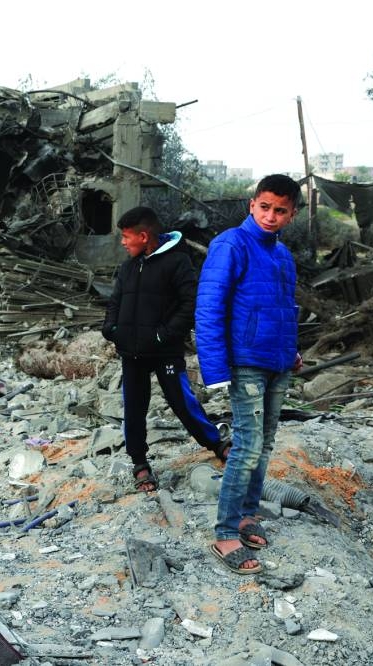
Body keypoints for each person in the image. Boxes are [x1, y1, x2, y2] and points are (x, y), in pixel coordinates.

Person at [195, 174, 304, 575]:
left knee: (265, 444)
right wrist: (215, 370)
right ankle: (225, 534)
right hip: (245, 363)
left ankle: (245, 515)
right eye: (264, 207)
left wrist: (290, 351)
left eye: (280, 210)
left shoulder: (283, 256)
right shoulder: (231, 244)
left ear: (291, 214)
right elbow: (209, 308)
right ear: (251, 204)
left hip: (276, 364)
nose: (270, 217)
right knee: (245, 446)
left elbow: (283, 309)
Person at [102, 206, 227, 493]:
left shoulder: (178, 263)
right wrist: (111, 328)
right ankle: (140, 463)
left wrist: (164, 335)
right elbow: (115, 301)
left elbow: (189, 304)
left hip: (164, 351)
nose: (123, 242)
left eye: (126, 237)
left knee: (182, 403)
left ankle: (216, 443)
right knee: (134, 408)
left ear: (144, 236)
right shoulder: (128, 266)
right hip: (131, 353)